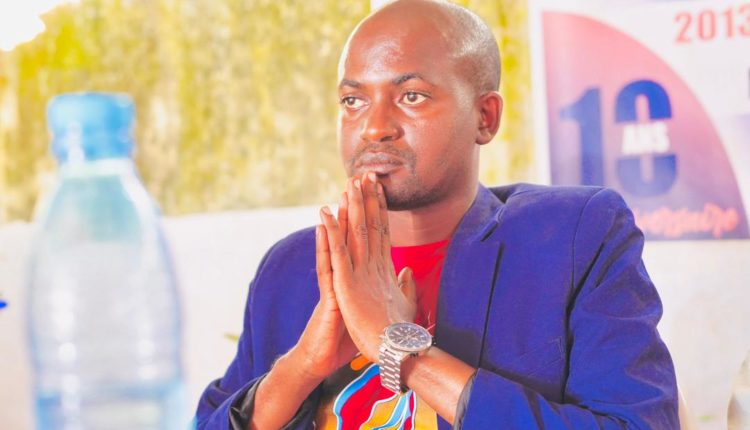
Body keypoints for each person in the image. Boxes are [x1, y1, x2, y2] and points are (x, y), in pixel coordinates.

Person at [195, 0, 679, 428]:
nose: (374, 127)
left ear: (485, 117)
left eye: (412, 96)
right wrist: (302, 366)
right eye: (353, 100)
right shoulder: (290, 267)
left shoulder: (572, 237)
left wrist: (399, 349)